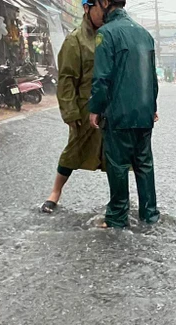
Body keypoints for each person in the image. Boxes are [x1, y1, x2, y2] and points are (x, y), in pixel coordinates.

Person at [88, 0, 159, 228]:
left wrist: (95, 109)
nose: (93, 11)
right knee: (144, 165)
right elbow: (152, 78)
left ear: (106, 3)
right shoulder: (145, 34)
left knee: (118, 166)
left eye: (94, 5)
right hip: (144, 114)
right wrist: (152, 106)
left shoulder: (106, 34)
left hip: (119, 114)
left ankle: (117, 218)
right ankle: (150, 215)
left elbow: (101, 78)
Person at [41, 0, 105, 213]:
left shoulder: (112, 35)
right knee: (72, 152)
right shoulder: (75, 40)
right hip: (84, 111)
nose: (105, 12)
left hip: (109, 109)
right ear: (87, 8)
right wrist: (70, 112)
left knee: (114, 156)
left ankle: (117, 199)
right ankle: (55, 192)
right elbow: (66, 79)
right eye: (101, 7)